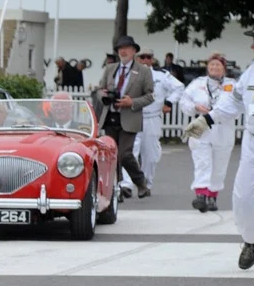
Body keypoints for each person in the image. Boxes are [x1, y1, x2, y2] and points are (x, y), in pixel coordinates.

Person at [183, 30, 254, 268]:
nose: (253, 46)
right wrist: (206, 120)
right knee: (244, 198)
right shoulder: (252, 71)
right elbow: (233, 101)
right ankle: (251, 240)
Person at [94, 35, 153, 200]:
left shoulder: (143, 71)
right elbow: (99, 89)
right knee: (111, 155)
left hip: (129, 117)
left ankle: (140, 182)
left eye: (126, 48)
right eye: (120, 48)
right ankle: (116, 189)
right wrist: (104, 95)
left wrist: (132, 102)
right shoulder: (110, 69)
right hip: (110, 116)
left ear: (134, 51)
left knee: (124, 154)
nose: (123, 51)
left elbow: (150, 96)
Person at [119, 49, 182, 197]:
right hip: (133, 115)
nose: (145, 60)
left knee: (150, 154)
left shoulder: (161, 75)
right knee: (129, 152)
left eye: (148, 57)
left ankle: (145, 184)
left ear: (152, 59)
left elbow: (179, 88)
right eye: (142, 57)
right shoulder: (128, 73)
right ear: (136, 59)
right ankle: (126, 185)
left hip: (152, 117)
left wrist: (169, 102)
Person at [178, 52, 236, 212]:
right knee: (202, 162)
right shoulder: (198, 83)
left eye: (218, 65)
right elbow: (184, 102)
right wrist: (195, 107)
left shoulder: (232, 85)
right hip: (201, 127)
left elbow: (237, 106)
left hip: (223, 128)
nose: (214, 67)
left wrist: (219, 113)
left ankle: (212, 196)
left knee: (219, 165)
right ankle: (201, 195)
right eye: (212, 64)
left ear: (224, 68)